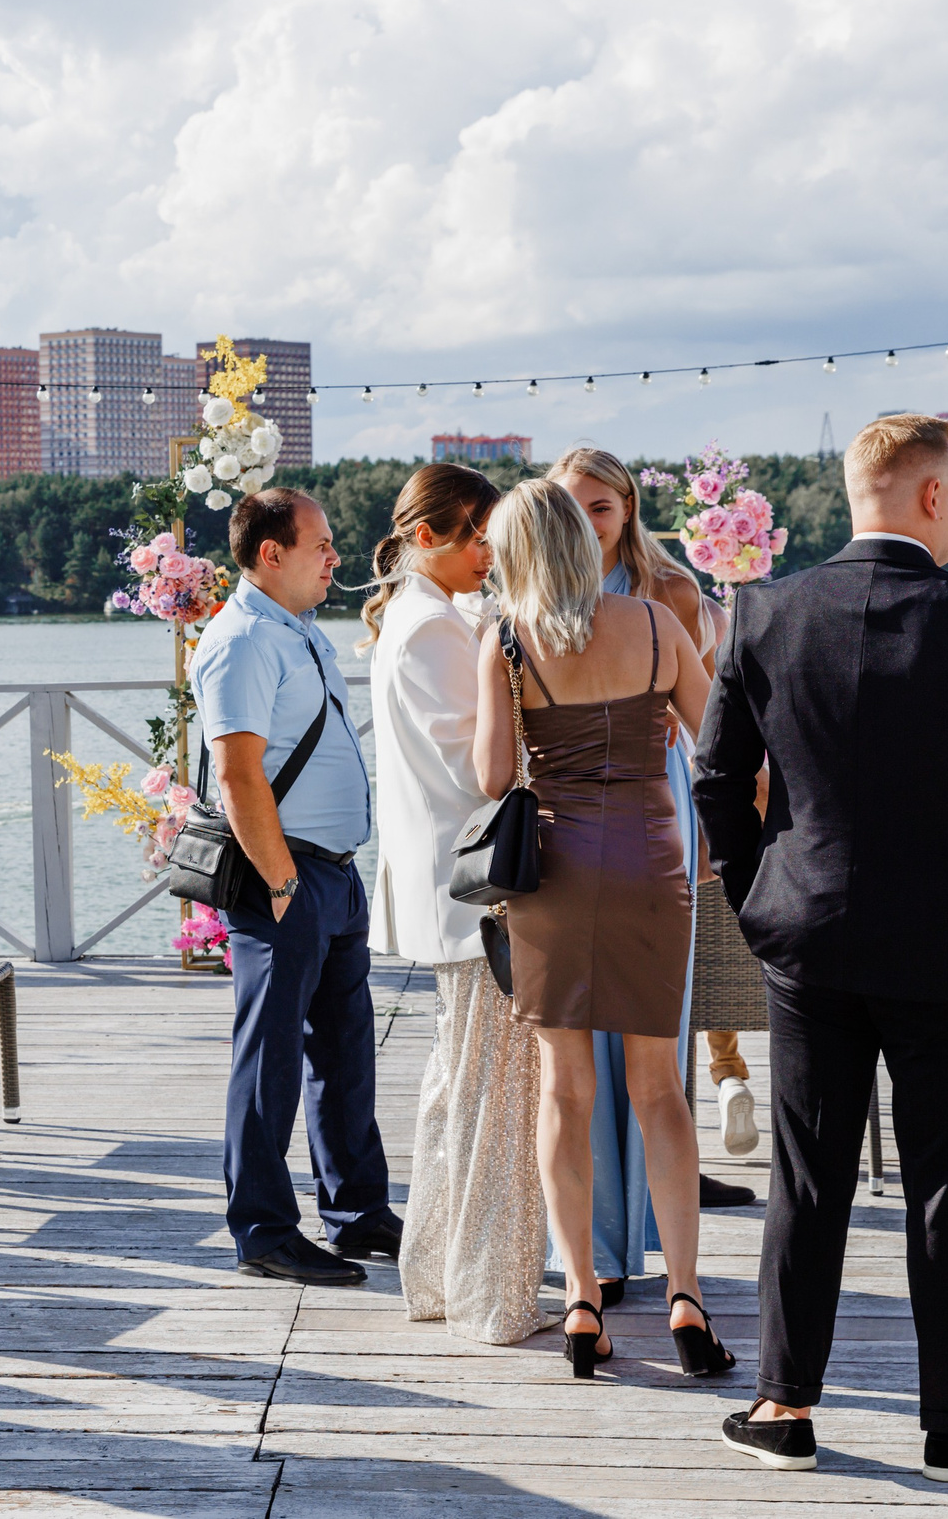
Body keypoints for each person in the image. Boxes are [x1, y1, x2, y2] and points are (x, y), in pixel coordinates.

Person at [695, 414, 948, 1480]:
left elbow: (716, 783)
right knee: (947, 1185)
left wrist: (758, 900)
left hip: (807, 942)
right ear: (925, 497)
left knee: (805, 1176)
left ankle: (782, 1405)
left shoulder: (762, 611)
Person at [474, 480, 728, 1383]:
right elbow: (723, 747)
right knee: (659, 1090)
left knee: (565, 1091)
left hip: (557, 873)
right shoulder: (659, 625)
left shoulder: (505, 638)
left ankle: (583, 1297)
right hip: (653, 865)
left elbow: (493, 772)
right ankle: (687, 1295)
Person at [549, 446, 756, 1297]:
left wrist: (716, 839)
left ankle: (651, 1229)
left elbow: (717, 736)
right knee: (575, 1061)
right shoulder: (533, 601)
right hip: (568, 841)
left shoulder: (671, 596)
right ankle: (597, 1248)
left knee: (650, 1040)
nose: (586, 522)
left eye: (601, 506)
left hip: (657, 814)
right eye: (570, 506)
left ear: (629, 511)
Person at [192, 487, 398, 1286]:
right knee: (270, 1058)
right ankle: (265, 1230)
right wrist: (280, 881)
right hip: (287, 876)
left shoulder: (296, 632)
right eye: (321, 544)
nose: (335, 558)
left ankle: (356, 1211)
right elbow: (240, 773)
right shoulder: (243, 639)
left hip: (332, 874)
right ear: (270, 553)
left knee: (345, 1054)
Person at [366, 465, 548, 1345]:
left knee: (459, 1087)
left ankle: (442, 1276)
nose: (491, 554)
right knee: (494, 1095)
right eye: (479, 536)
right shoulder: (432, 630)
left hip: (449, 888)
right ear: (429, 536)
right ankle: (493, 1295)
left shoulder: (426, 617)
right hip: (476, 891)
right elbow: (481, 769)